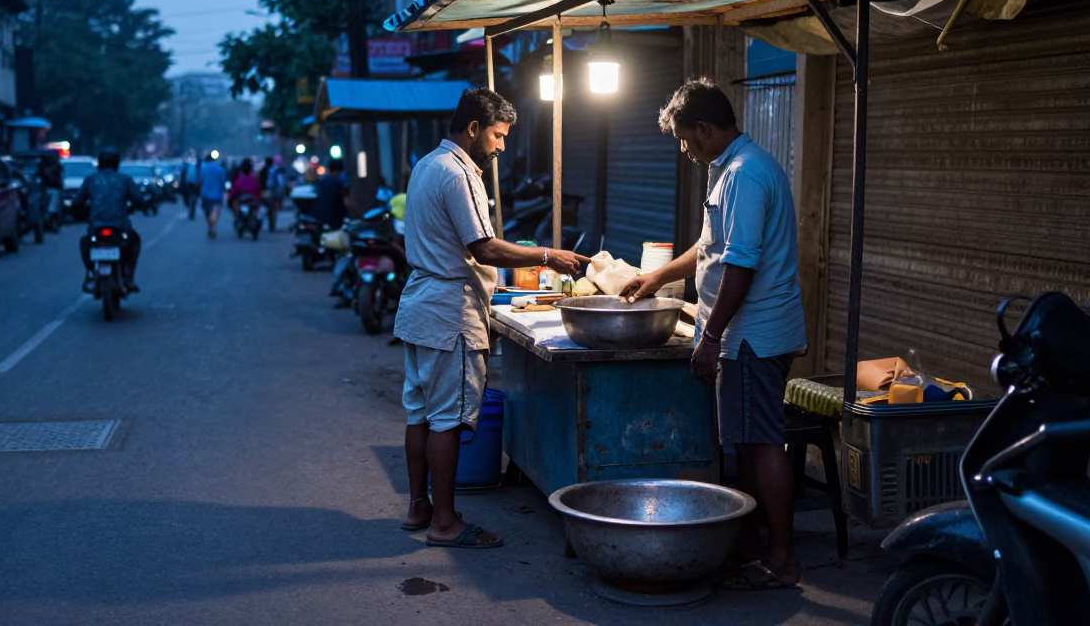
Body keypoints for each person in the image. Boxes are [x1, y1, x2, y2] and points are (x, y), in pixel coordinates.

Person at [621, 78, 807, 589]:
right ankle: (751, 548)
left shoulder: (746, 175)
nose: (683, 150)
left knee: (764, 443)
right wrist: (660, 275)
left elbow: (741, 266)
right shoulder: (729, 171)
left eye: (685, 139)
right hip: (744, 333)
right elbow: (712, 249)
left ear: (705, 129)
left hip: (752, 335)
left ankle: (783, 561)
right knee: (747, 443)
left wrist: (711, 336)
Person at [393, 87, 588, 549]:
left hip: (421, 302)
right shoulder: (459, 173)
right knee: (446, 418)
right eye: (498, 136)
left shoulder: (426, 165)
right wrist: (547, 254)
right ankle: (445, 522)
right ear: (475, 128)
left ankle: (419, 506)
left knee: (420, 413)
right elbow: (483, 247)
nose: (502, 146)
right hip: (448, 311)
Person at [73, 149, 147, 292]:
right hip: (119, 225)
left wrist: (82, 214)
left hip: (96, 226)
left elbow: (77, 202)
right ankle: (129, 278)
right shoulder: (124, 180)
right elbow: (138, 199)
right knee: (134, 241)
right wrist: (143, 206)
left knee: (85, 242)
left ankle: (89, 273)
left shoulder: (91, 179)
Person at [312, 158, 354, 231]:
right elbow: (347, 203)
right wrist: (356, 215)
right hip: (335, 219)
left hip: (319, 218)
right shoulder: (341, 183)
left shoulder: (322, 182)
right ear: (341, 169)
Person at [198, 152, 227, 238]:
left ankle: (211, 227)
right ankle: (213, 227)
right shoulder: (219, 169)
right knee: (214, 211)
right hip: (217, 194)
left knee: (207, 211)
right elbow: (223, 182)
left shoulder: (203, 168)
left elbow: (200, 180)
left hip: (205, 193)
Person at [258, 154, 288, 232]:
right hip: (273, 192)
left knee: (265, 208)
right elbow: (280, 183)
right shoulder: (276, 170)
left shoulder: (266, 170)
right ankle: (270, 224)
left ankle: (261, 223)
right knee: (273, 209)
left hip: (267, 191)